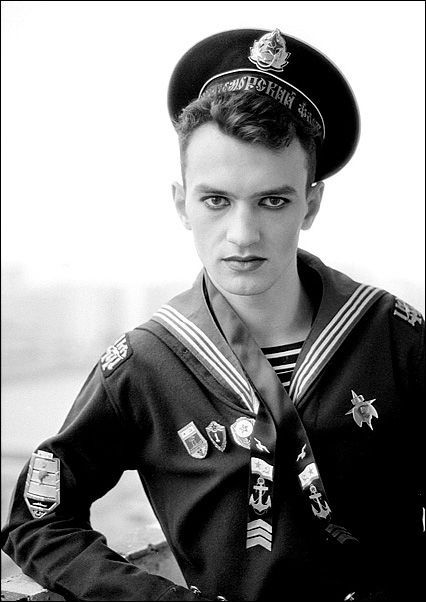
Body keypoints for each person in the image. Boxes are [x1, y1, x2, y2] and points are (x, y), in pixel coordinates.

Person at [1, 27, 424, 602]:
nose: (242, 235)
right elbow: (38, 518)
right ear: (183, 204)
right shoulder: (147, 363)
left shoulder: (392, 336)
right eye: (216, 200)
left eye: (272, 200)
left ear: (311, 203)